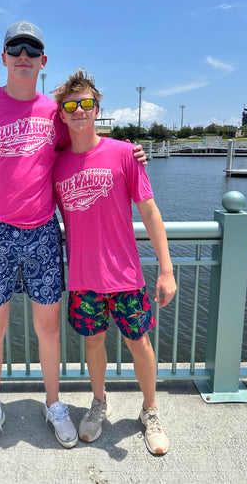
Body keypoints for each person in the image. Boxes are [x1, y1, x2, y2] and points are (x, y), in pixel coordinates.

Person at [0, 21, 147, 461]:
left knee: (47, 328)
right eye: (14, 47)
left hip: (42, 232)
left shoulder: (53, 112)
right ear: (3, 57)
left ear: (43, 61)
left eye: (32, 49)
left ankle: (54, 403)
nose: (23, 54)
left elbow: (86, 144)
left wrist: (131, 152)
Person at [53, 69, 176, 455]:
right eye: (71, 105)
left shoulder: (124, 153)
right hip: (83, 278)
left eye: (86, 103)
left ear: (97, 109)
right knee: (93, 343)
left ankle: (150, 411)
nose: (79, 110)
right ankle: (99, 403)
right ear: (62, 114)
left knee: (138, 342)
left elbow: (151, 213)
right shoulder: (55, 166)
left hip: (126, 274)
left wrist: (167, 269)